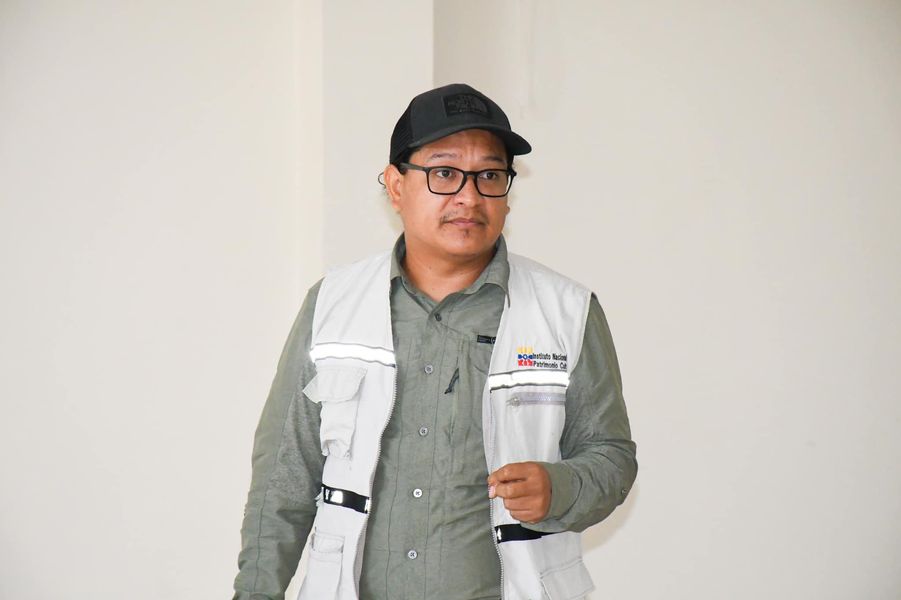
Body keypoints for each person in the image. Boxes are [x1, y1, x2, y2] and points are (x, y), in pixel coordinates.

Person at [232, 83, 637, 600]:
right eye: (444, 173)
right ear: (395, 185)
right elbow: (283, 479)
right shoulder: (333, 303)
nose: (469, 196)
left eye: (489, 175)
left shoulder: (567, 311)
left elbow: (611, 456)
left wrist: (562, 488)